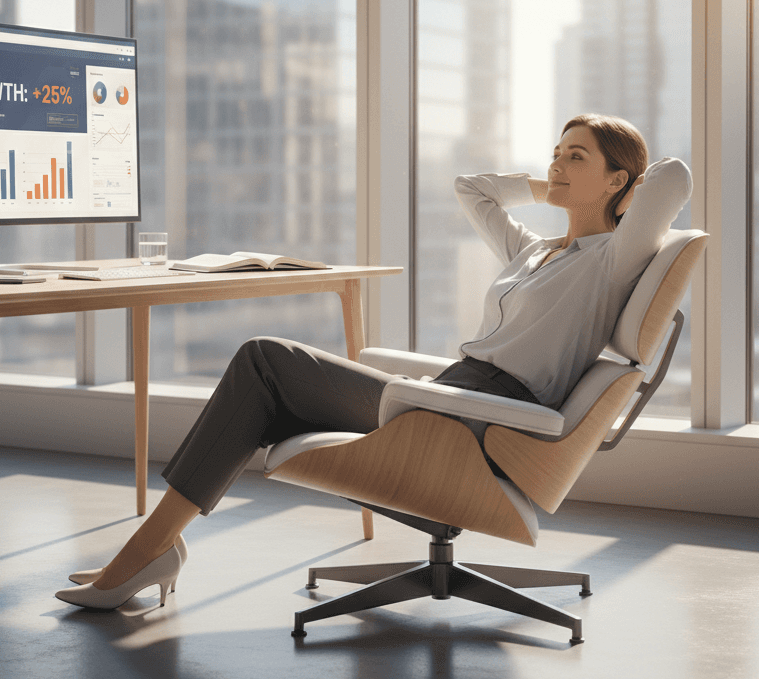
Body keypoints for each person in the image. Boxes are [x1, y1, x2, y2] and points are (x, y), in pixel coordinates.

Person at [55, 113, 691, 609]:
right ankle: (155, 547)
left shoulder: (612, 261)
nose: (557, 162)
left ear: (618, 181)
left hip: (483, 420)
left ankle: (147, 550)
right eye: (556, 151)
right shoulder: (535, 250)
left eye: (576, 156)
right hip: (451, 396)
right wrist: (550, 186)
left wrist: (620, 198)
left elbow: (674, 178)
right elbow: (471, 189)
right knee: (264, 389)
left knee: (264, 363)